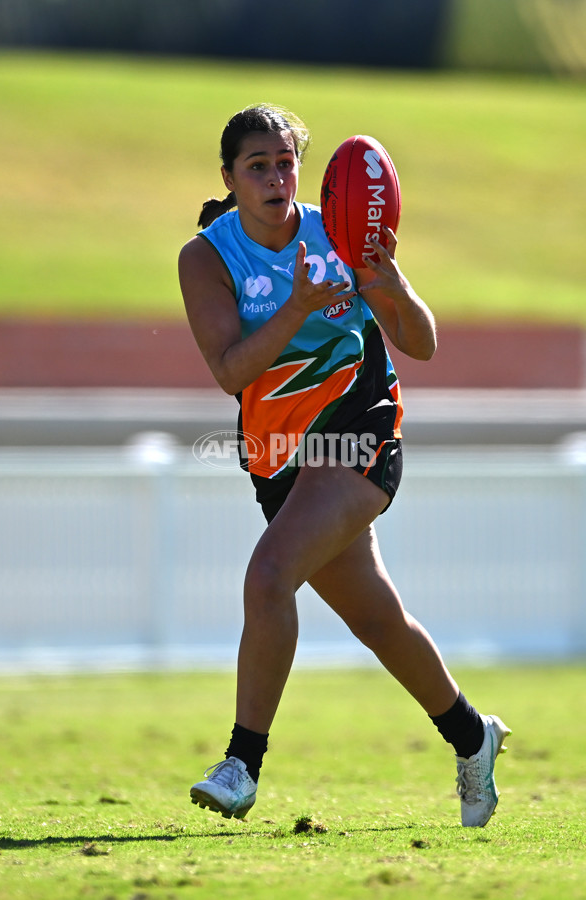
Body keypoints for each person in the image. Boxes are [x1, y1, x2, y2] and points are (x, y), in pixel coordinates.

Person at [178, 104, 511, 828]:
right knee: (376, 620)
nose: (275, 177)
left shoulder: (339, 226)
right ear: (229, 178)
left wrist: (391, 286)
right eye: (257, 166)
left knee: (269, 576)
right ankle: (472, 735)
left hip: (361, 436)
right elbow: (233, 372)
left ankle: (242, 764)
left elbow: (420, 343)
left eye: (284, 161)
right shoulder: (206, 257)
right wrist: (298, 305)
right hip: (279, 461)